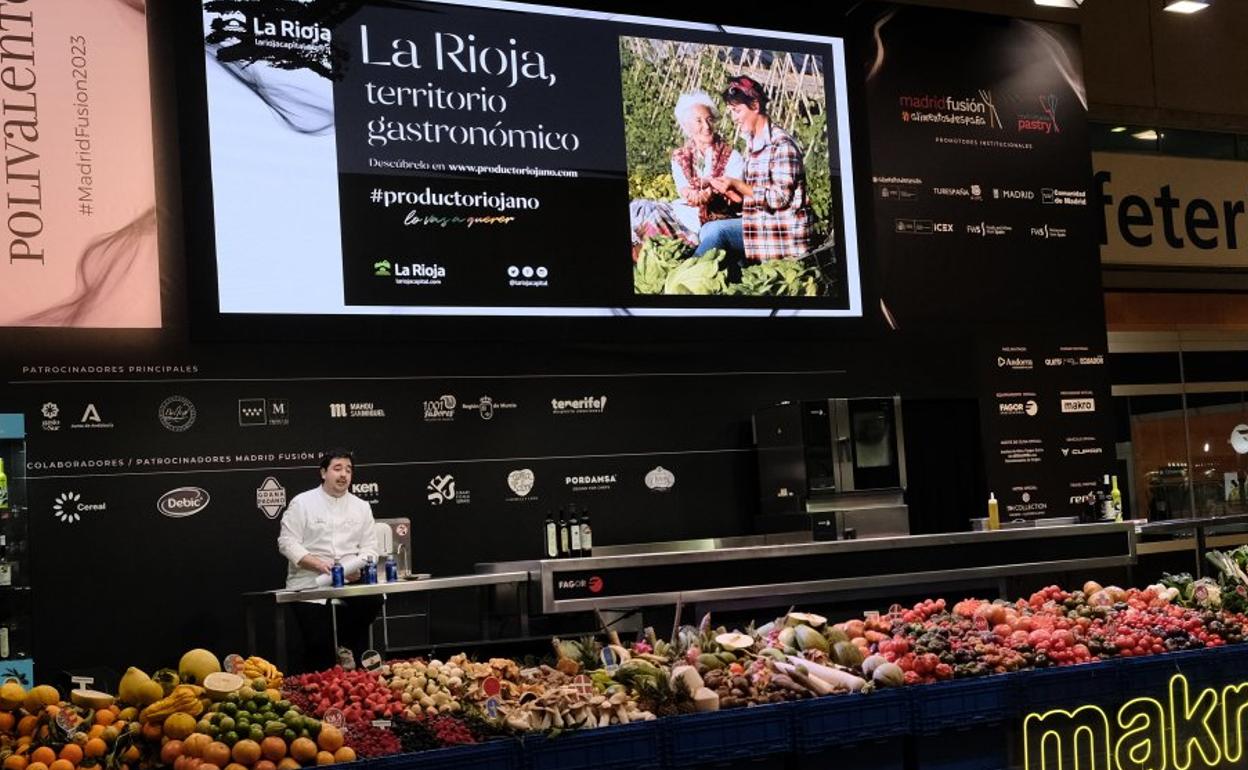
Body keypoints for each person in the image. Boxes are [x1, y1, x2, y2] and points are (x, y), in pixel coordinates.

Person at [277, 448, 381, 672]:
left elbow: (371, 548)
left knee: (374, 600)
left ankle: (345, 647)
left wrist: (354, 568)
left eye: (348, 470)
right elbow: (287, 542)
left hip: (350, 581)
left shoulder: (361, 507)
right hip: (309, 582)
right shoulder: (302, 503)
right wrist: (317, 564)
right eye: (337, 468)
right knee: (319, 646)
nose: (344, 474)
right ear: (323, 473)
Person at [707, 75, 814, 269]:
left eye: (737, 111)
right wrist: (731, 190)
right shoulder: (755, 142)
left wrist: (738, 184)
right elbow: (755, 191)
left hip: (781, 235)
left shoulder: (782, 146)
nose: (733, 117)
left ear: (755, 105)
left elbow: (779, 198)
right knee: (709, 231)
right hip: (763, 225)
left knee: (716, 233)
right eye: (731, 111)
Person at [669, 91, 745, 260]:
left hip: (718, 216)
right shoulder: (680, 157)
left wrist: (711, 194)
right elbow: (683, 188)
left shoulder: (731, 156)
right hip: (686, 214)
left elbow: (735, 194)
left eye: (709, 119)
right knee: (641, 209)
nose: (706, 126)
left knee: (711, 233)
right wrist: (690, 194)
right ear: (687, 126)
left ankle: (689, 269)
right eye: (699, 121)